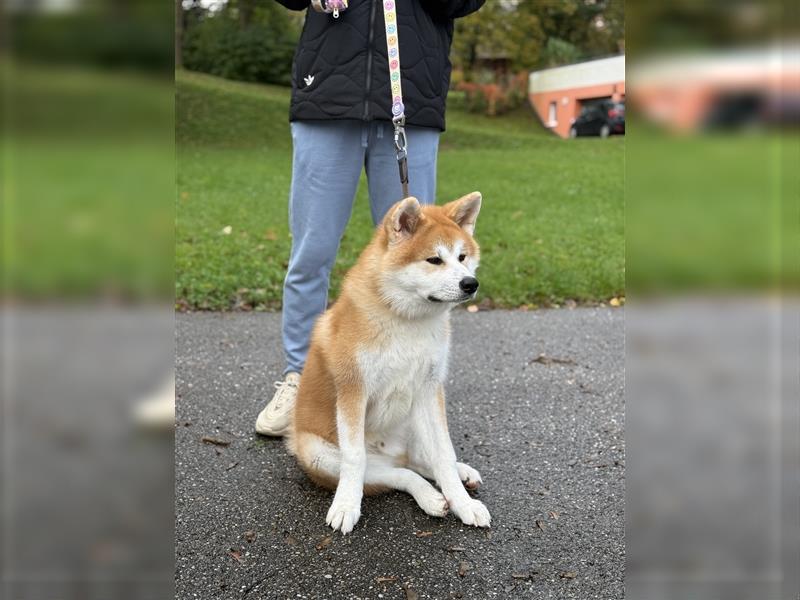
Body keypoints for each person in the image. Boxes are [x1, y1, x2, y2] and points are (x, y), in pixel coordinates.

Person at [256, 0, 485, 436]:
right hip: (326, 96)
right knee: (312, 253)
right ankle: (300, 380)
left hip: (411, 100)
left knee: (422, 259)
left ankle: (410, 394)